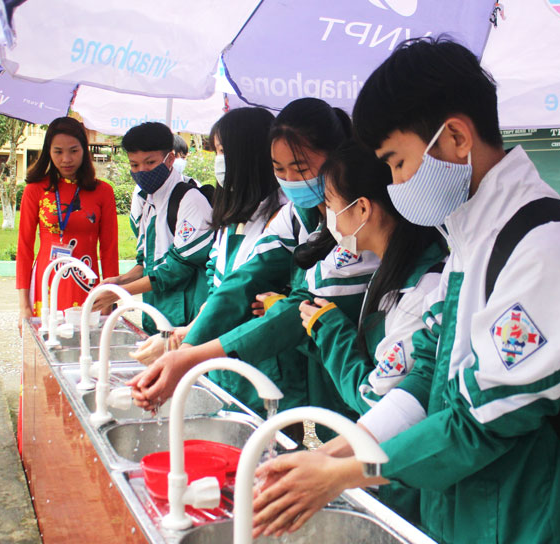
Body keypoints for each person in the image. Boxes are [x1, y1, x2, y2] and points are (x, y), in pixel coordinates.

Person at [251, 39, 560, 544]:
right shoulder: (472, 240)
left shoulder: (545, 252)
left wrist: (343, 473)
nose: (393, 184)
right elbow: (426, 372)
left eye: (399, 162)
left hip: (538, 543)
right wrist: (334, 452)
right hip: (473, 529)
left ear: (454, 137)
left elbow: (478, 425)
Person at [128, 99, 375, 424]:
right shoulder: (294, 215)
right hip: (294, 362)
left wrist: (190, 354)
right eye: (279, 169)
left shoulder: (352, 221)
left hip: (350, 367)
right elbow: (243, 281)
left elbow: (297, 308)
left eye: (300, 169)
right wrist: (188, 343)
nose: (290, 180)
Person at [296, 141, 447, 520]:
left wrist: (329, 330)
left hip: (403, 490)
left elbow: (377, 398)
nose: (328, 216)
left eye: (330, 205)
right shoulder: (390, 268)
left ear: (361, 208)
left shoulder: (420, 290)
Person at [131, 107, 287, 413]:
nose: (219, 161)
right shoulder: (231, 218)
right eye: (217, 151)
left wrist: (187, 343)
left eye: (223, 151)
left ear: (249, 153)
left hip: (262, 361)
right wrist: (186, 333)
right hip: (220, 357)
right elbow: (217, 285)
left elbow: (241, 289)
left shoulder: (283, 216)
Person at [92, 122, 212, 333]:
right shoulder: (148, 201)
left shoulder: (189, 200)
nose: (142, 171)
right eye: (134, 165)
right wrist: (120, 280)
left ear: (170, 159)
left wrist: (122, 292)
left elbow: (177, 269)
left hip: (184, 321)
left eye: (150, 162)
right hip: (156, 314)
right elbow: (146, 262)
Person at [16, 116, 118, 333]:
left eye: (74, 150)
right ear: (48, 152)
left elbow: (109, 250)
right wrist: (23, 305)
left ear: (84, 150)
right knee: (47, 346)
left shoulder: (103, 192)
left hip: (87, 282)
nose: (66, 159)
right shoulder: (35, 190)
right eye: (58, 152)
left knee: (85, 350)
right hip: (47, 282)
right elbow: (24, 248)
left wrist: (109, 296)